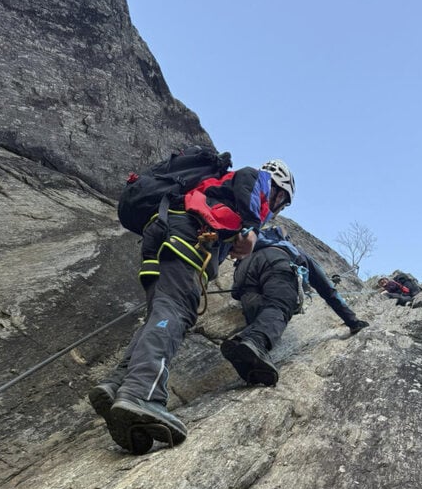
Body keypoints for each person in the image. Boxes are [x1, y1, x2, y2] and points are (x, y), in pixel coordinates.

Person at [88, 159, 296, 454]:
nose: (278, 208)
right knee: (175, 310)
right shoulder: (256, 178)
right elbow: (249, 199)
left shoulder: (220, 189)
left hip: (162, 232)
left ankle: (117, 385)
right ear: (278, 186)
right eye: (282, 201)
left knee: (159, 313)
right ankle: (141, 393)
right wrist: (250, 233)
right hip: (186, 235)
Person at [221, 226, 369, 386]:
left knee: (260, 316)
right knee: (279, 305)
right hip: (275, 261)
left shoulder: (255, 244)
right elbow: (327, 289)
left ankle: (246, 354)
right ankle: (255, 341)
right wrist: (353, 321)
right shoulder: (291, 249)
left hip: (242, 272)